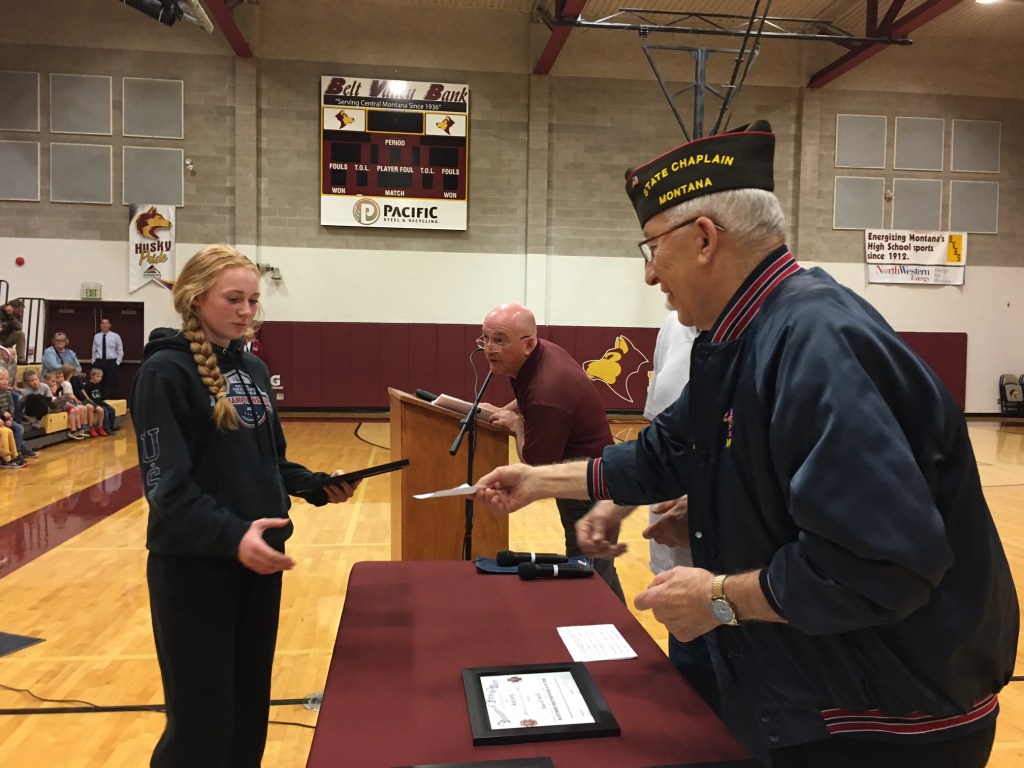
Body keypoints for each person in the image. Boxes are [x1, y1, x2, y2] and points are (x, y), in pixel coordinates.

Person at [477, 121, 1018, 767]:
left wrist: (718, 598)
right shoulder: (746, 333)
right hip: (817, 689)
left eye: (652, 248)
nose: (649, 274)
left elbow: (879, 567)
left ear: (705, 239)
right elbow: (669, 452)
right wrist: (541, 481)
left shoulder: (816, 341)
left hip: (885, 717)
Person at [132, 244, 358, 767]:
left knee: (247, 714)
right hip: (195, 569)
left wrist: (316, 485)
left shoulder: (252, 368)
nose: (246, 311)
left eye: (253, 300)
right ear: (195, 298)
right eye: (233, 299)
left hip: (257, 566)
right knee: (200, 727)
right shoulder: (165, 373)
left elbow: (269, 463)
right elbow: (166, 488)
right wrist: (233, 535)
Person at [585, 311, 717, 709]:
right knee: (691, 698)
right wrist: (615, 503)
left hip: (737, 581)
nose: (652, 281)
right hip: (674, 563)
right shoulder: (674, 325)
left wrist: (704, 504)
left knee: (737, 713)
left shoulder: (772, 328)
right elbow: (660, 443)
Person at [480, 302, 624, 601]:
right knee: (599, 569)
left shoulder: (547, 388)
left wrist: (516, 425)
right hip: (585, 476)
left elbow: (536, 464)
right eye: (485, 338)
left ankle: (601, 627)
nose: (489, 348)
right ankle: (621, 626)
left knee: (588, 572)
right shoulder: (541, 354)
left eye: (499, 340)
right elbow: (527, 399)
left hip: (588, 486)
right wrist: (505, 411)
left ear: (528, 344)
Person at [0, 368, 37, 459]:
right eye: (1, 379)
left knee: (19, 428)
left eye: (6, 379)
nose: (5, 381)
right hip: (1, 419)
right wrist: (3, 416)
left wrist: (10, 418)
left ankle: (17, 450)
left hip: (7, 419)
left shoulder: (8, 393)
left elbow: (11, 407)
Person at [91, 317, 124, 397]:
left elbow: (120, 350)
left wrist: (117, 363)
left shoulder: (115, 336)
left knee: (113, 384)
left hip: (111, 363)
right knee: (98, 383)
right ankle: (99, 400)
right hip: (99, 362)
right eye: (102, 323)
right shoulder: (96, 336)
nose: (104, 325)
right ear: (100, 325)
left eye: (106, 323)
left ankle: (113, 400)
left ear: (110, 325)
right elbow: (94, 350)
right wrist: (93, 361)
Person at [0, 299, 26, 364]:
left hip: (6, 338)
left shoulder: (16, 315)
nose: (20, 312)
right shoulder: (1, 312)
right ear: (13, 308)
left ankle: (21, 359)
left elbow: (19, 327)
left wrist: (11, 315)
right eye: (19, 310)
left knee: (20, 334)